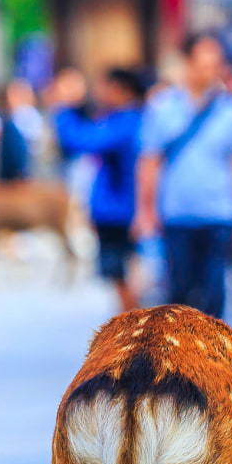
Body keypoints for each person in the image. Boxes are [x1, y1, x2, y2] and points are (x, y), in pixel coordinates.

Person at [136, 32, 232, 321]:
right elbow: (149, 162)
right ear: (187, 63)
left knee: (215, 296)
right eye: (204, 63)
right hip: (176, 214)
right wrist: (145, 210)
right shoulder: (163, 108)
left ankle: (211, 362)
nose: (210, 71)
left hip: (219, 214)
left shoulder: (231, 110)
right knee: (177, 297)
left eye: (215, 64)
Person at [52, 67, 148, 313]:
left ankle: (135, 328)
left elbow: (82, 140)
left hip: (120, 212)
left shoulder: (125, 122)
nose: (99, 93)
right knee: (122, 273)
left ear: (120, 90)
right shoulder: (132, 119)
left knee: (121, 272)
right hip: (122, 209)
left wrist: (64, 107)